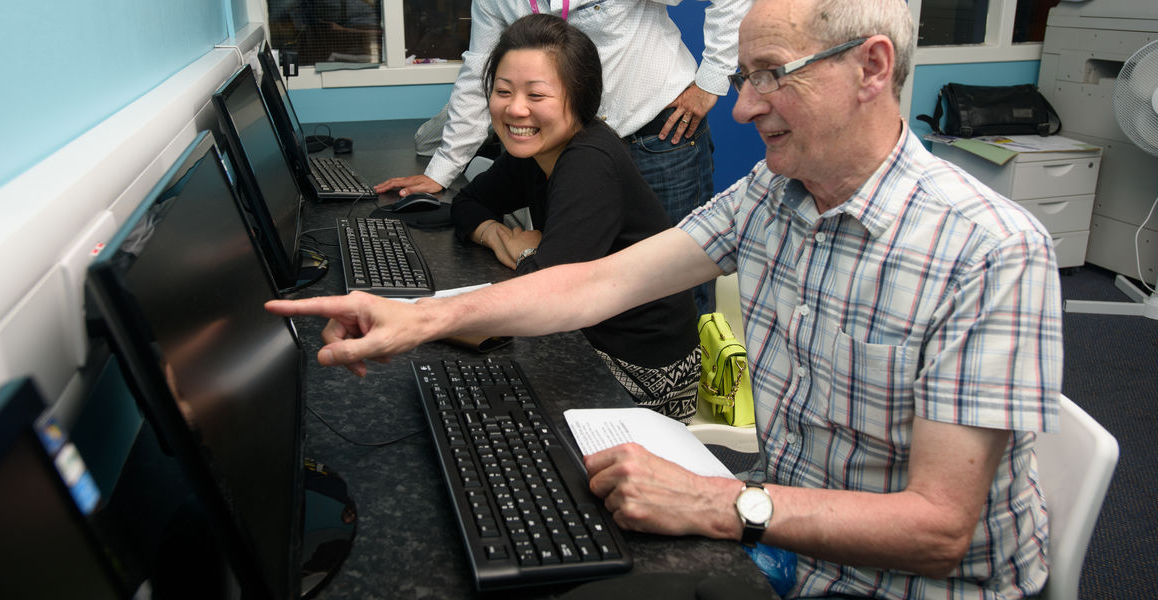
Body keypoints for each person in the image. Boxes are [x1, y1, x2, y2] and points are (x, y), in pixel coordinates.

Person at [267, 0, 1064, 597]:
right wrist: (423, 316)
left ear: (873, 67)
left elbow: (940, 529)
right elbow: (604, 281)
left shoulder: (989, 248)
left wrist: (720, 503)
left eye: (769, 75)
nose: (744, 106)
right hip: (793, 544)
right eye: (744, 76)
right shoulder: (773, 193)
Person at [375, 0, 752, 314]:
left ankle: (691, 394)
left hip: (656, 131)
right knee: (589, 285)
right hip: (564, 142)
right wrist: (442, 170)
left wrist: (713, 80)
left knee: (678, 286)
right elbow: (482, 71)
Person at [453, 13, 701, 422]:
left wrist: (528, 254)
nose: (516, 109)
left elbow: (544, 292)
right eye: (503, 91)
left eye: (537, 95)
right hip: (586, 334)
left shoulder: (589, 162)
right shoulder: (535, 147)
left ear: (579, 96)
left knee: (485, 405)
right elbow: (467, 204)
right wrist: (501, 237)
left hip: (647, 370)